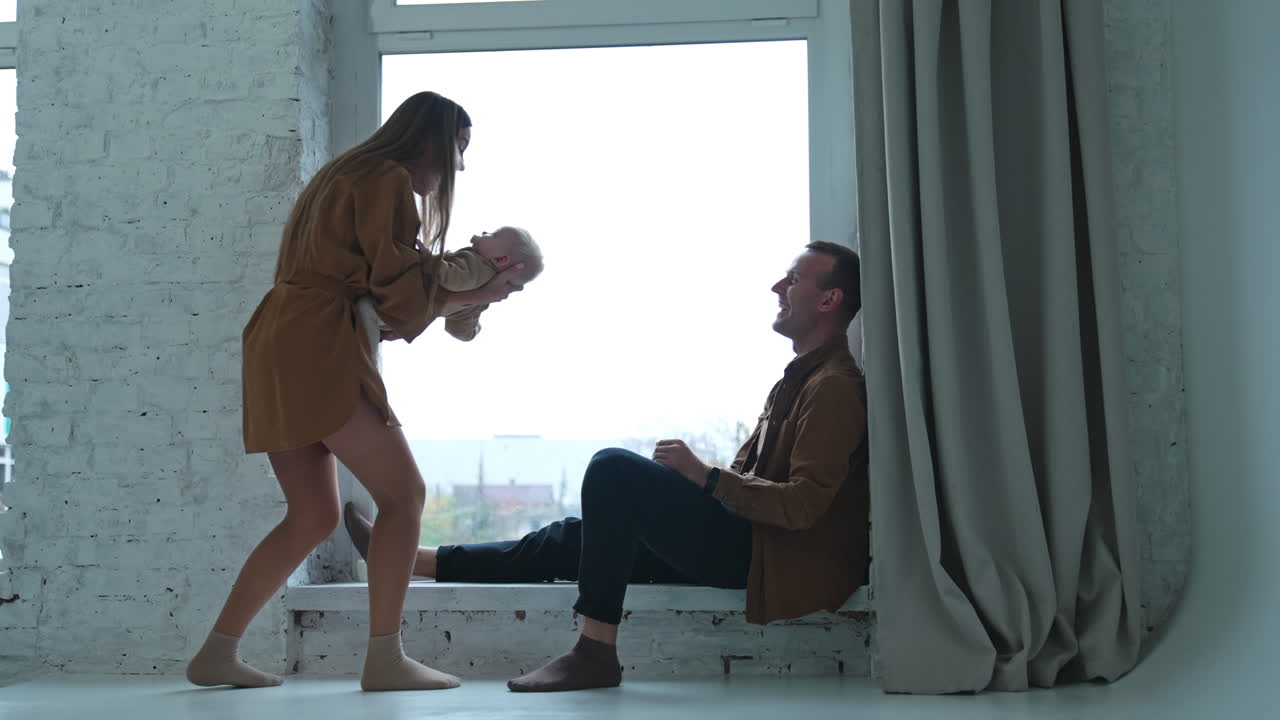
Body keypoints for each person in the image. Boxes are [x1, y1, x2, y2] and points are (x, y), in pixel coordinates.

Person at [344, 241, 870, 692]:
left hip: (768, 558)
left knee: (613, 470)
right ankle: (417, 560)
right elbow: (755, 486)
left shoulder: (834, 388)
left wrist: (705, 478)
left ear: (830, 299)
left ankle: (596, 651)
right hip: (752, 541)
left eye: (794, 279)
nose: (778, 287)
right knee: (576, 538)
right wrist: (698, 485)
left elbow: (803, 506)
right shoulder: (797, 379)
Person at [186, 91, 527, 692]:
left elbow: (380, 291)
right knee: (405, 494)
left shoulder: (343, 175)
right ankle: (385, 659)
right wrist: (477, 295)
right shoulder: (386, 179)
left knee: (312, 514)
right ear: (431, 139)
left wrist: (455, 296)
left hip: (279, 336)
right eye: (458, 148)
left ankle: (217, 652)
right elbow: (398, 291)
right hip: (318, 340)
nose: (460, 165)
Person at [355, 225, 543, 349]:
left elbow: (451, 278)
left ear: (501, 259)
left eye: (493, 235)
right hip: (406, 317)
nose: (485, 233)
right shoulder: (479, 303)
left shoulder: (479, 266)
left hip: (403, 300)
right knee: (369, 325)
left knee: (364, 309)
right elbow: (458, 330)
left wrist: (428, 258)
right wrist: (474, 330)